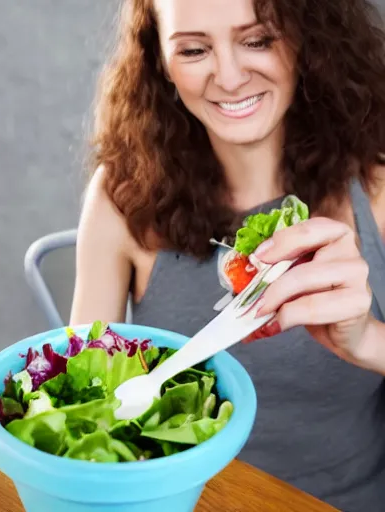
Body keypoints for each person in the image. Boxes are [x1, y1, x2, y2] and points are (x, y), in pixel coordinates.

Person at [70, 0, 385, 509]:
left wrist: (367, 339)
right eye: (194, 49)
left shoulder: (375, 190)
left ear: (308, 40)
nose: (231, 77)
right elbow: (86, 399)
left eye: (258, 40)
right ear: (160, 63)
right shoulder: (120, 197)